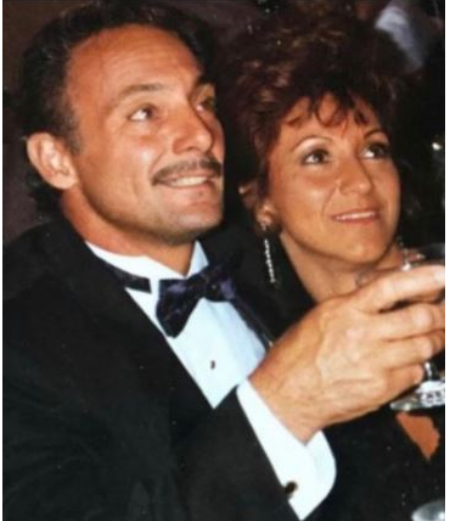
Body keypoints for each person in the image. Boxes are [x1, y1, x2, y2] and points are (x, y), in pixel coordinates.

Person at [4, 2, 445, 521]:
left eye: (204, 102)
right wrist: (283, 405)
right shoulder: (20, 339)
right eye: (146, 112)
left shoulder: (256, 256)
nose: (201, 133)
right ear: (56, 160)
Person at [218, 5, 444, 520]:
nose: (360, 181)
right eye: (317, 156)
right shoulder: (275, 369)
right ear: (262, 201)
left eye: (374, 150)